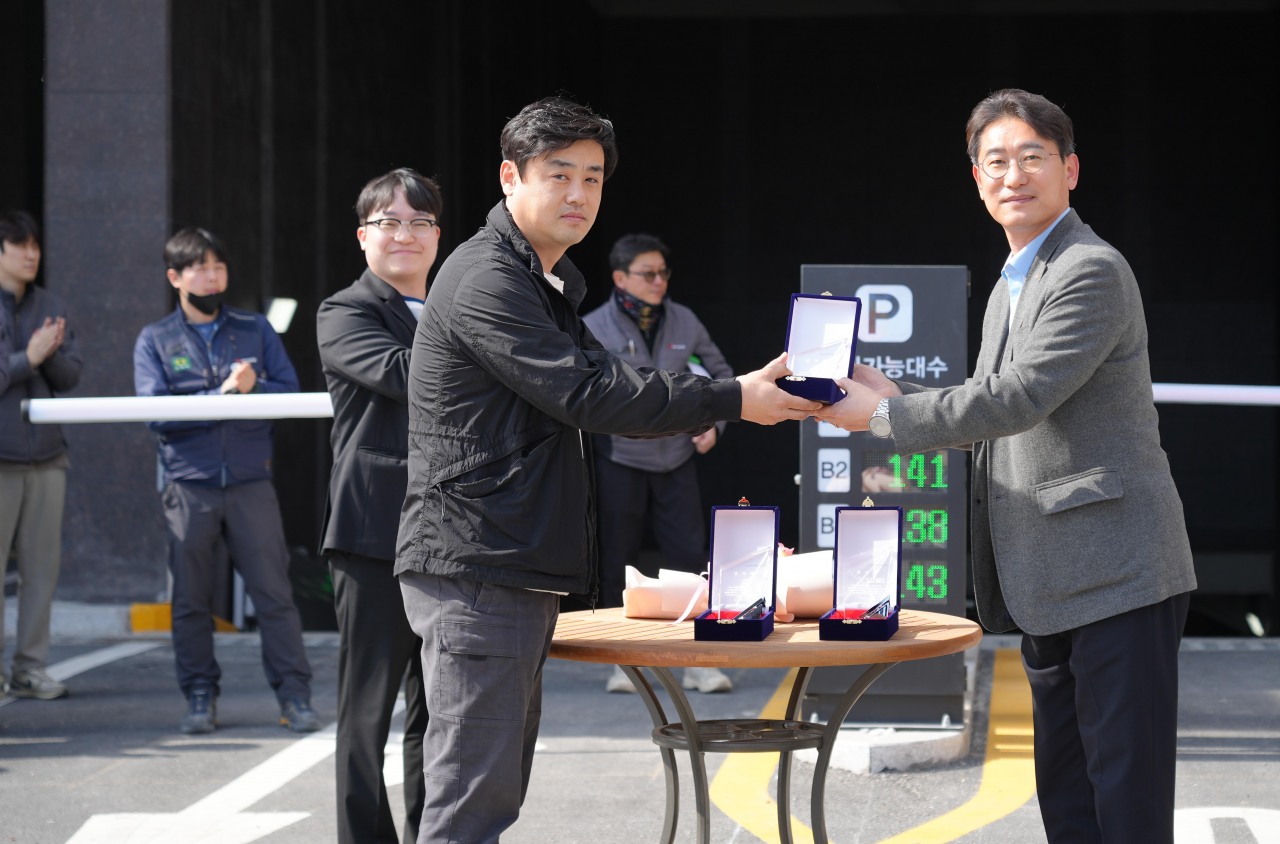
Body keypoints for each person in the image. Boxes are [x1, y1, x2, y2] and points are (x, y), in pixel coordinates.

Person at [395, 95, 817, 842]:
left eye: (592, 178)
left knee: (484, 792)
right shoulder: (489, 278)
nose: (578, 194)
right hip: (476, 567)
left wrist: (738, 391)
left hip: (504, 565)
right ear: (509, 177)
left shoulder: (546, 283)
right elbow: (591, 393)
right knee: (469, 802)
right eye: (559, 174)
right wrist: (732, 399)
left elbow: (608, 387)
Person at [817, 89, 1197, 843]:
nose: (1013, 175)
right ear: (976, 179)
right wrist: (898, 396)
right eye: (996, 161)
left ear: (1071, 169)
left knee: (1124, 793)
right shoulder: (1013, 280)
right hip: (1049, 578)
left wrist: (886, 417)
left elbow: (1021, 396)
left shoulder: (1090, 269)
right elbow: (999, 417)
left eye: (1032, 157)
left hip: (1116, 571)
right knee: (1067, 788)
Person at [133, 227, 320, 735]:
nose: (212, 277)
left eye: (218, 268)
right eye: (200, 268)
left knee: (274, 594)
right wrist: (219, 395)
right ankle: (199, 695)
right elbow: (156, 415)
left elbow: (289, 394)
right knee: (192, 599)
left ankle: (294, 696)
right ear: (176, 277)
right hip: (187, 485)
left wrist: (255, 386)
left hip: (249, 482)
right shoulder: (156, 339)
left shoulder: (255, 329)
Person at [316, 168, 440, 843]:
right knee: (366, 713)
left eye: (420, 221)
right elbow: (406, 376)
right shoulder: (345, 311)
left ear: (438, 236)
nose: (405, 234)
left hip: (450, 539)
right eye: (390, 221)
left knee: (438, 714)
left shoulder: (453, 310)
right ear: (364, 235)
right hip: (372, 535)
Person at [584, 233, 735, 695]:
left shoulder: (684, 320)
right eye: (647, 274)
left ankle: (696, 661)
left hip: (677, 459)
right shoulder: (593, 326)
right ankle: (625, 662)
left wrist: (715, 424)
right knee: (619, 561)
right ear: (619, 278)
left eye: (663, 273)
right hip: (621, 459)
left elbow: (724, 378)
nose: (658, 282)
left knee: (690, 559)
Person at [0, 210, 81, 701]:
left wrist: (47, 354)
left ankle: (30, 668)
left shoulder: (51, 305)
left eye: (35, 246)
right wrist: (25, 359)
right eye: (19, 245)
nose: (31, 254)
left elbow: (71, 377)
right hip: (0, 458)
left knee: (41, 572)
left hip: (48, 457)